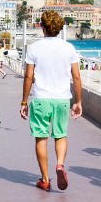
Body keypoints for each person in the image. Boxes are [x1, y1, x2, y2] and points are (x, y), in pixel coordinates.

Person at [19, 10, 83, 191]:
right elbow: (76, 77)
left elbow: (28, 77)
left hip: (41, 98)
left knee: (41, 137)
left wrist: (24, 102)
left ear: (42, 27)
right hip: (62, 98)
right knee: (60, 134)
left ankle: (45, 179)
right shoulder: (68, 48)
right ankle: (60, 164)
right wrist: (78, 101)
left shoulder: (34, 48)